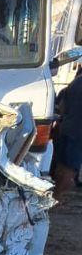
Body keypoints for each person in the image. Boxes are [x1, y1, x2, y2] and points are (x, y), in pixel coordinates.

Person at [54, 66, 82, 199]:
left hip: (66, 129)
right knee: (70, 169)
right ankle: (57, 200)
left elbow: (61, 107)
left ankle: (55, 197)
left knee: (62, 166)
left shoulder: (76, 82)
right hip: (78, 133)